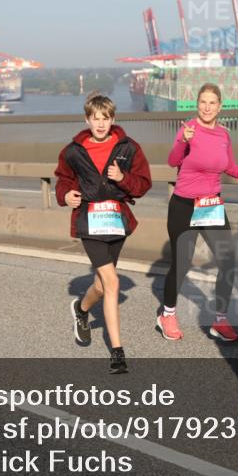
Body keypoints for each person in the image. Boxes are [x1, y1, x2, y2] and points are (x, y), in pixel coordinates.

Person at [55, 95, 152, 374]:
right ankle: (118, 352)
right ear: (87, 120)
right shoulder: (73, 151)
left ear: (113, 119)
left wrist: (123, 179)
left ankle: (81, 311)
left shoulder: (129, 148)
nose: (100, 123)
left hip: (116, 221)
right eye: (95, 118)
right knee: (112, 281)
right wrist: (66, 196)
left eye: (105, 118)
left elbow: (144, 184)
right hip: (89, 222)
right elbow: (63, 180)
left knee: (101, 285)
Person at [159, 83, 238, 343]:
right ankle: (167, 314)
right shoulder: (188, 130)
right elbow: (172, 161)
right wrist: (184, 141)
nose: (207, 107)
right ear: (197, 104)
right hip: (184, 204)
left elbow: (228, 164)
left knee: (228, 261)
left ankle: (220, 320)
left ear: (220, 107)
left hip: (211, 205)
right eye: (203, 102)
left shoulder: (223, 135)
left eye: (212, 103)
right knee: (182, 263)